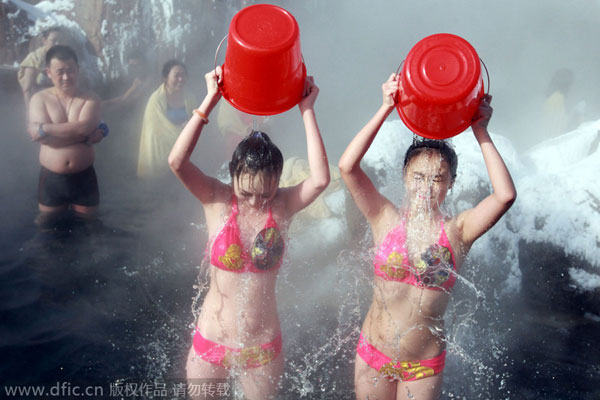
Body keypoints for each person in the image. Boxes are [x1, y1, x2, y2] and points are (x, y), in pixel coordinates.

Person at [338, 73, 516, 400]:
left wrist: (480, 130)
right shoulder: (384, 217)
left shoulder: (458, 231)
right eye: (418, 176)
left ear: (451, 184)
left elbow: (504, 196)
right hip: (373, 354)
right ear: (405, 176)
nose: (426, 186)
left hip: (422, 364)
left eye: (438, 178)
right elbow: (348, 167)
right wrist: (385, 109)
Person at [168, 67, 329, 400]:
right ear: (232, 178)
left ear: (277, 183)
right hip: (213, 339)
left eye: (266, 193)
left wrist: (307, 109)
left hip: (262, 347)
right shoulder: (216, 198)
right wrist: (210, 98)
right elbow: (177, 162)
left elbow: (320, 180)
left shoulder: (283, 205)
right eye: (247, 193)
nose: (256, 202)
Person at [27, 45, 105, 226]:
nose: (66, 76)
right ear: (48, 72)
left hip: (84, 176)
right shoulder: (39, 99)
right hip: (52, 178)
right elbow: (41, 138)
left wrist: (44, 127)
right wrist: (83, 136)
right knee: (46, 227)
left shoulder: (90, 98)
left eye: (70, 70)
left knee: (90, 226)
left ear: (78, 70)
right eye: (60, 71)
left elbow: (83, 128)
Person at [137, 59, 196, 178]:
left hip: (184, 154)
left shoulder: (190, 99)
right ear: (165, 78)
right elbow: (156, 131)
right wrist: (183, 130)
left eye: (183, 75)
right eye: (176, 75)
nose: (181, 79)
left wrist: (190, 127)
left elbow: (197, 123)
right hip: (161, 156)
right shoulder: (156, 100)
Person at [18, 27, 64, 107]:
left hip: (60, 103)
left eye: (60, 41)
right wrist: (31, 111)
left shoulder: (64, 58)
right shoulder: (35, 58)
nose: (57, 44)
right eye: (53, 40)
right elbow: (27, 90)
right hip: (39, 103)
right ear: (44, 41)